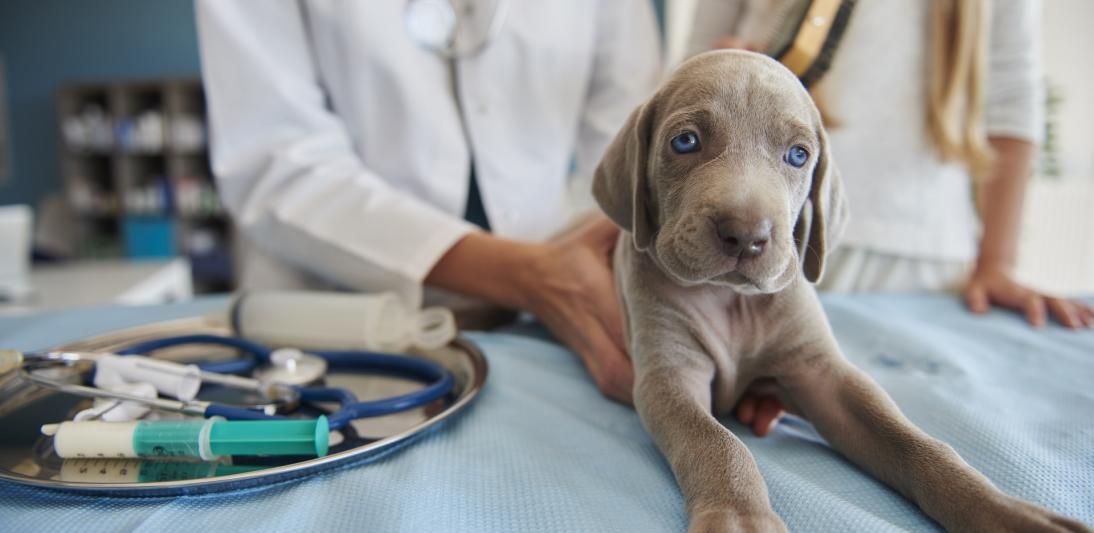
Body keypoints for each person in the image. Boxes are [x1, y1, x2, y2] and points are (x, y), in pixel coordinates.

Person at [195, 1, 661, 403]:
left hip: (554, 314)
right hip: (342, 320)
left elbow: (632, 140)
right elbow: (275, 159)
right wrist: (531, 276)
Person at [688, 0, 1093, 436]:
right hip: (763, 240)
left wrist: (998, 264)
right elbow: (691, 63)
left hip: (924, 265)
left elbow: (1012, 97)